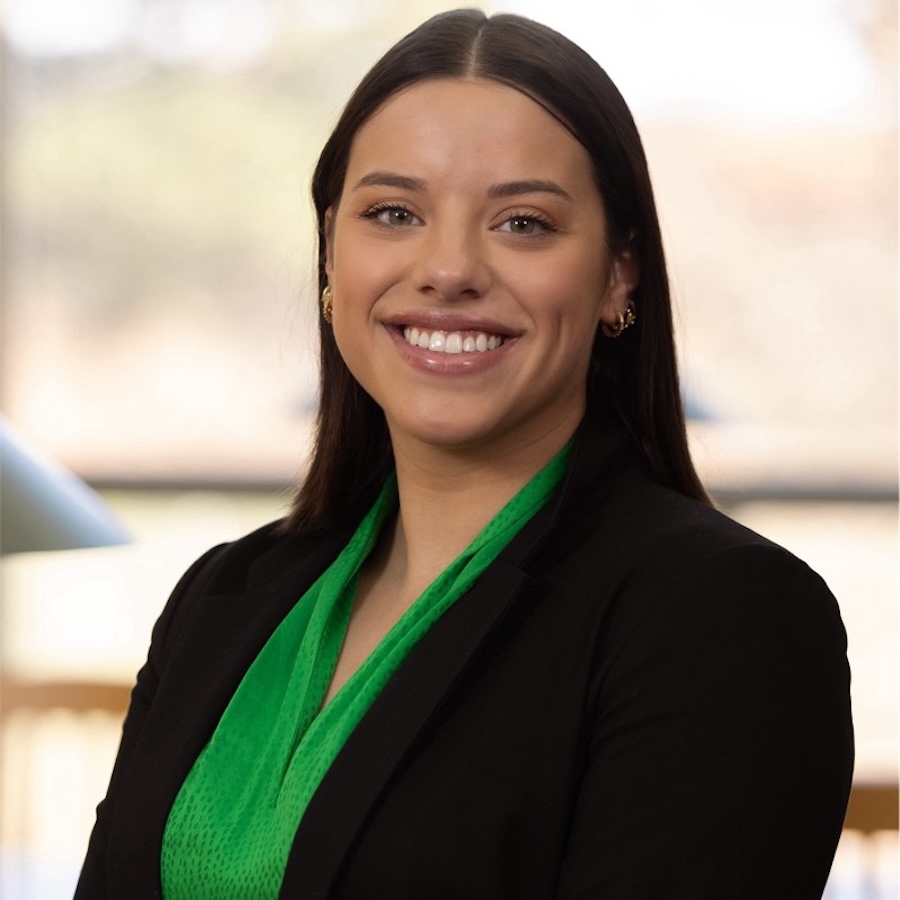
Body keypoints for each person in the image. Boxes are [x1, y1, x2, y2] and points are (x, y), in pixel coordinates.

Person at [75, 9, 853, 898]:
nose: (449, 268)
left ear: (618, 273)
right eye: (394, 212)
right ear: (332, 250)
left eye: (523, 223)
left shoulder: (726, 618)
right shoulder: (222, 595)